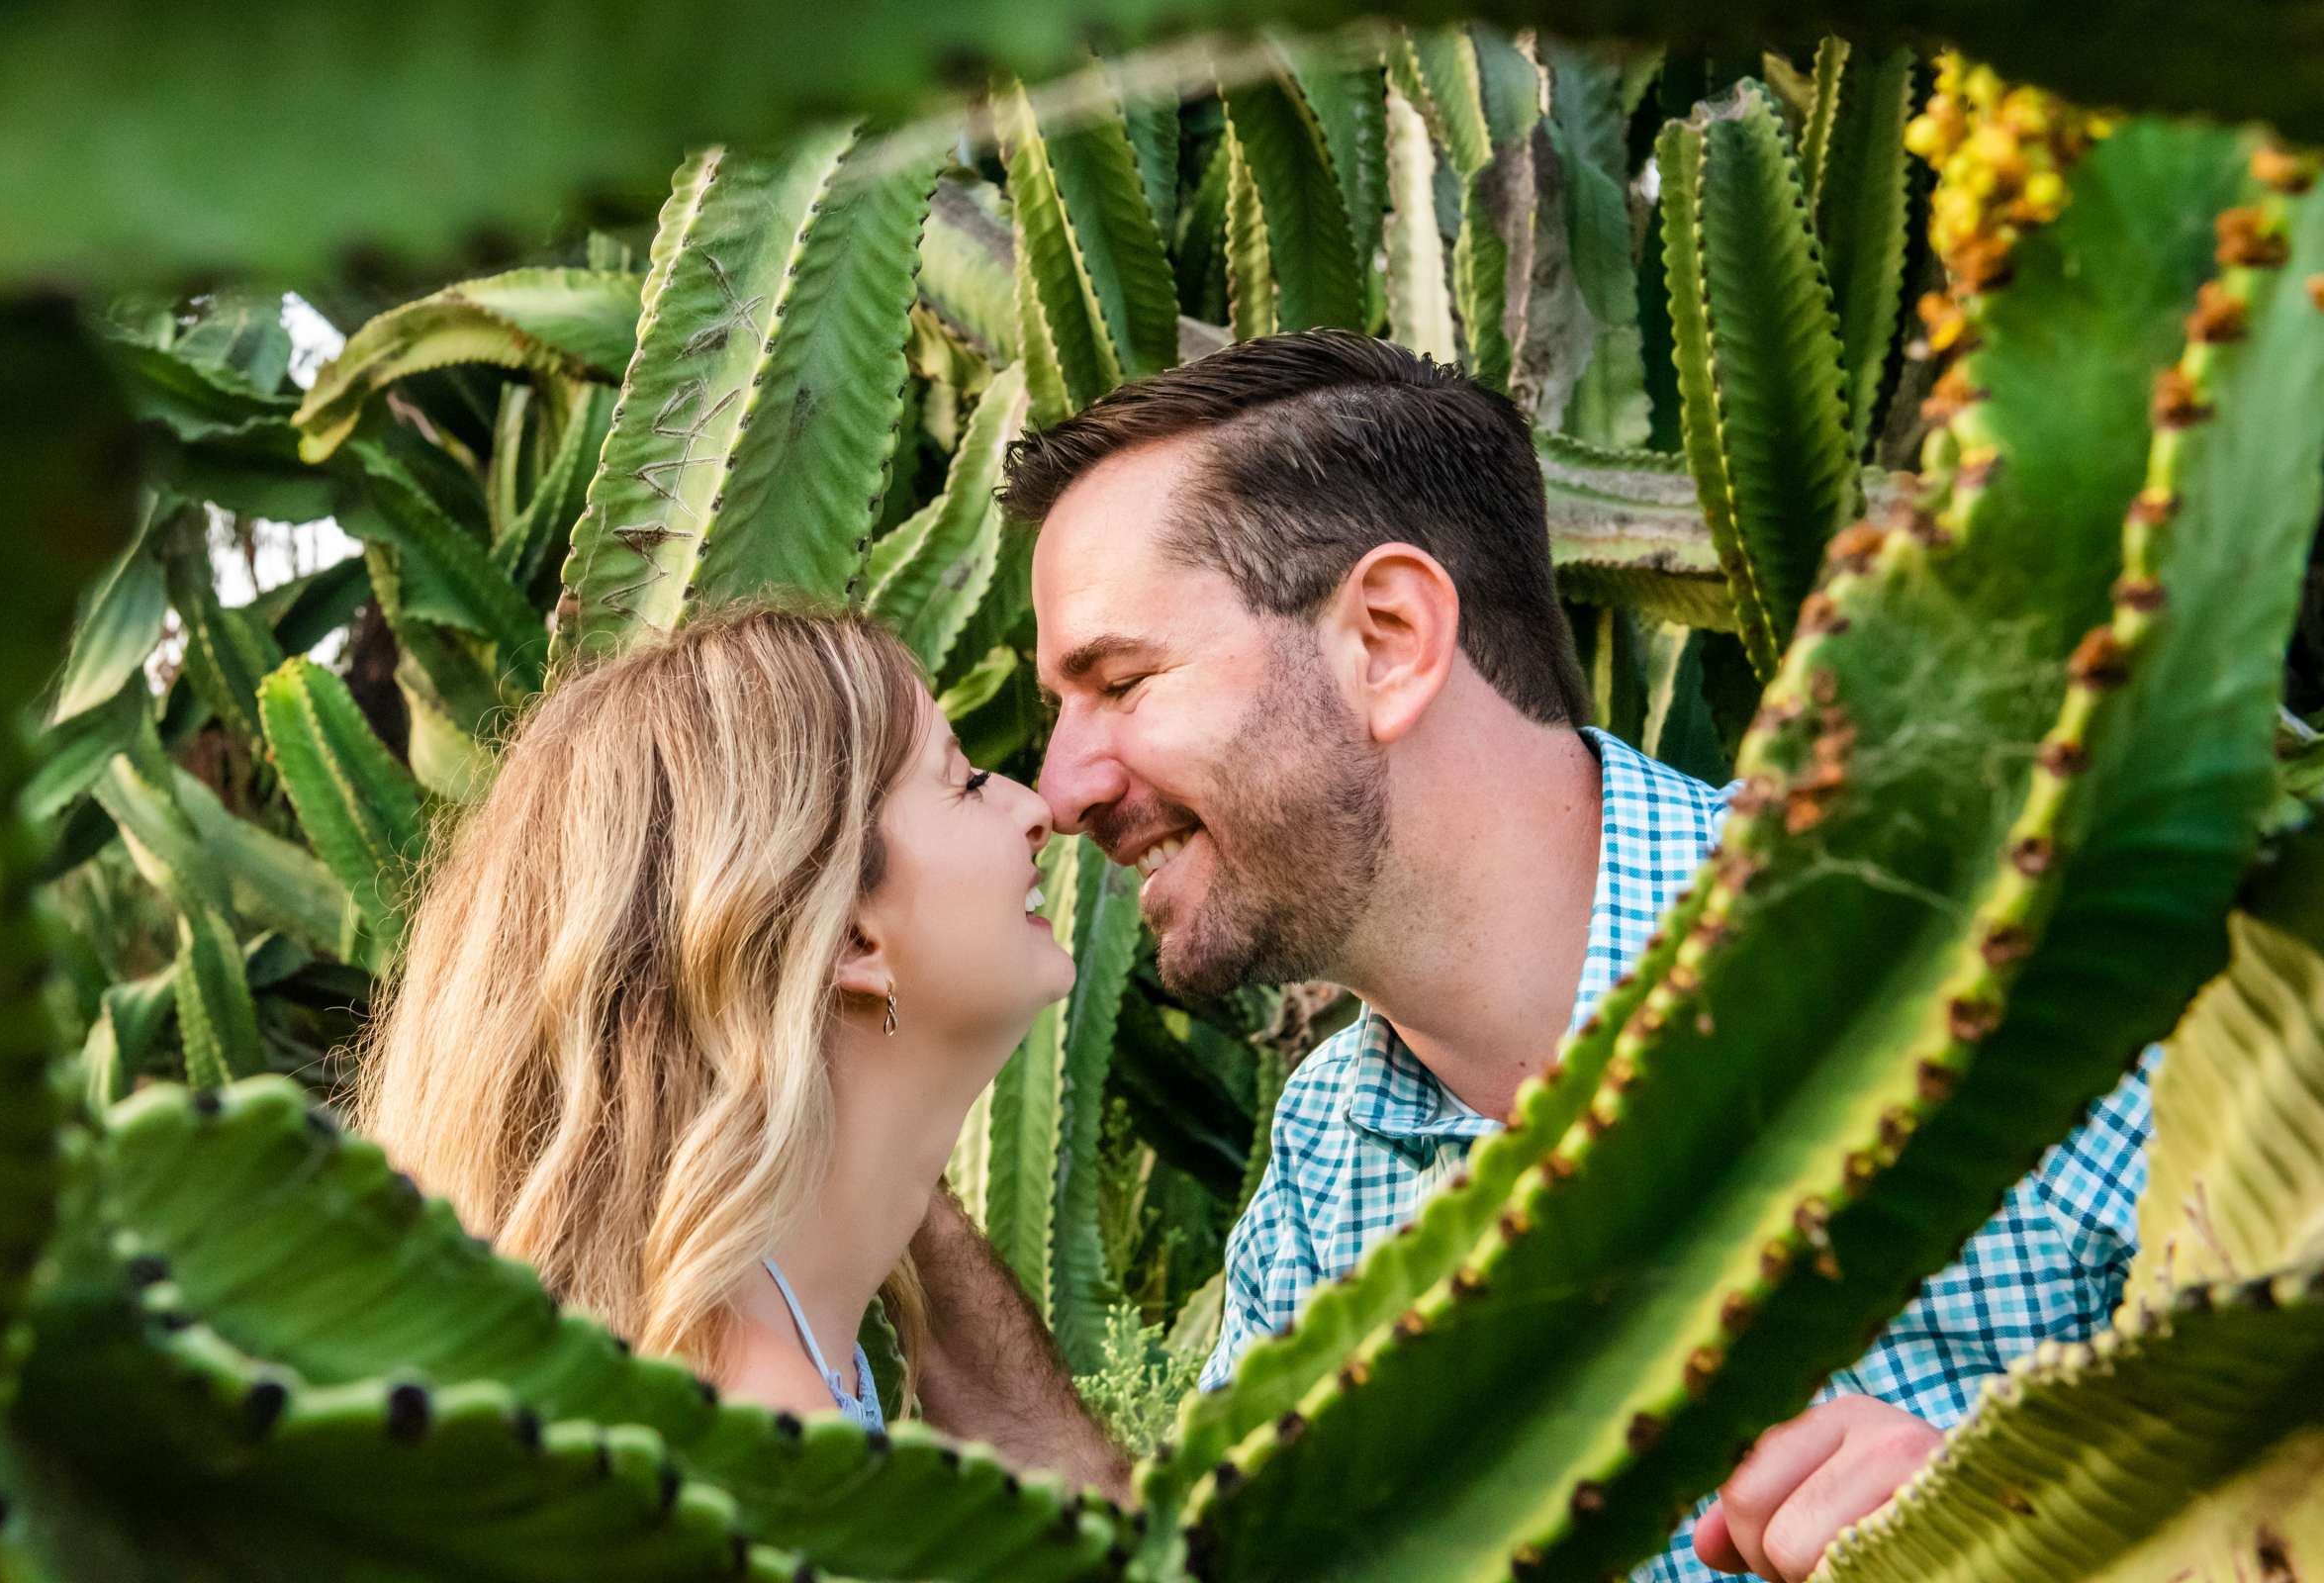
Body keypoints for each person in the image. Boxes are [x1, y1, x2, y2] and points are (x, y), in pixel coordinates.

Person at [966, 328, 2151, 1582]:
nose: (1062, 785)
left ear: (1386, 635)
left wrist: (2044, 1538)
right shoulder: (1329, 1165)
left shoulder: (2010, 974)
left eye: (1122, 680)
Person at [351, 602, 1126, 1487]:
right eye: (965, 781)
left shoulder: (769, 1343)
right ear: (848, 940)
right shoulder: (761, 1426)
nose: (1037, 809)